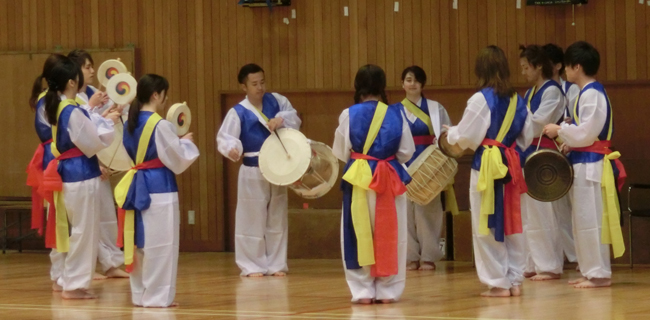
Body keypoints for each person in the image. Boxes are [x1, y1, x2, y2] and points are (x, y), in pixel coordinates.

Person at [445, 46, 533, 297]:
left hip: (486, 165)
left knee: (486, 223)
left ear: (480, 69)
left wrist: (450, 132)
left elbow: (465, 137)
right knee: (513, 222)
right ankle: (515, 280)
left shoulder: (480, 99)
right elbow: (526, 138)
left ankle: (497, 282)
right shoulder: (519, 99)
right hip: (512, 164)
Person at [544, 41, 626, 289]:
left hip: (592, 165)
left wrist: (560, 129)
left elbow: (588, 134)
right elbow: (583, 135)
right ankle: (591, 270)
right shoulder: (585, 93)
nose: (566, 71)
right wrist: (569, 141)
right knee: (582, 220)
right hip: (582, 161)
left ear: (576, 67)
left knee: (592, 220)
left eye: (568, 66)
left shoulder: (592, 93)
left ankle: (599, 273)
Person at [115, 74, 199, 307]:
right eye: (164, 94)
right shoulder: (160, 124)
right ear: (155, 95)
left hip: (137, 183)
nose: (166, 98)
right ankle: (158, 296)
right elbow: (176, 158)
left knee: (141, 242)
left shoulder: (128, 121)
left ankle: (140, 294)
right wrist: (186, 142)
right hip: (159, 187)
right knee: (162, 245)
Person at [333, 64, 414, 304]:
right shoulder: (397, 113)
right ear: (383, 86)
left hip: (359, 178)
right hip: (388, 178)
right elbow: (407, 152)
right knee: (391, 233)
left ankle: (362, 291)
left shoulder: (349, 114)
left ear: (358, 86)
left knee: (358, 231)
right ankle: (388, 290)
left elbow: (340, 151)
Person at [40, 57, 120, 299]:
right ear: (73, 82)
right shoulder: (70, 110)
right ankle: (74, 285)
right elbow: (91, 141)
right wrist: (108, 122)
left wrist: (100, 118)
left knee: (78, 231)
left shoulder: (63, 107)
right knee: (84, 232)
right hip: (80, 174)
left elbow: (84, 129)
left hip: (70, 172)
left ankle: (71, 280)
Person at [216, 63, 301, 277]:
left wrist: (281, 120)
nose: (260, 87)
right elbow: (225, 138)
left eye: (262, 82)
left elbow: (294, 117)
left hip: (279, 168)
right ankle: (252, 265)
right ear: (244, 87)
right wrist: (232, 150)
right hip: (252, 169)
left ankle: (276, 264)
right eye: (254, 84)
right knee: (251, 218)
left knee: (277, 217)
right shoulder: (238, 112)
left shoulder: (277, 101)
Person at [68, 49, 129, 280]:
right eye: (87, 67)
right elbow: (80, 133)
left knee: (105, 214)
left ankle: (112, 263)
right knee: (85, 220)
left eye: (92, 66)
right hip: (83, 163)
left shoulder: (95, 92)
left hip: (99, 160)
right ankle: (86, 267)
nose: (92, 70)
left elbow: (103, 125)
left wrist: (116, 109)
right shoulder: (71, 100)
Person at [391, 65, 454, 271]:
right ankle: (410, 256)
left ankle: (429, 256)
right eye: (408, 80)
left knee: (428, 210)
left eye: (416, 80)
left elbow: (447, 136)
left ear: (422, 84)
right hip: (404, 164)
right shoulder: (394, 110)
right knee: (405, 213)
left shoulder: (436, 108)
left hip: (430, 163)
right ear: (402, 83)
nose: (412, 84)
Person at [517, 45, 566, 281]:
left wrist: (516, 121)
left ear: (538, 66)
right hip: (528, 153)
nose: (524, 72)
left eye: (527, 67)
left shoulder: (552, 91)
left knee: (544, 212)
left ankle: (549, 266)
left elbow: (538, 123)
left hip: (544, 154)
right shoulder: (529, 93)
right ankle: (532, 262)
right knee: (527, 212)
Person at [542, 43, 579, 268]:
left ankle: (576, 256)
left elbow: (579, 119)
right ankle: (556, 256)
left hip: (569, 148)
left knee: (569, 206)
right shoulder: (539, 90)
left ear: (557, 66)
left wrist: (567, 128)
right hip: (545, 152)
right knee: (552, 207)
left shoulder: (572, 89)